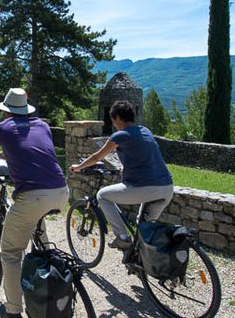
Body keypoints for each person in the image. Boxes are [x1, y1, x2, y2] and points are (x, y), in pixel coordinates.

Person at [0, 87, 69, 318]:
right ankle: (48, 260)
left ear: (7, 111)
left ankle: (13, 310)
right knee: (36, 224)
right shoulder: (43, 126)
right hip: (61, 190)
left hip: (33, 196)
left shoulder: (1, 128)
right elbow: (37, 155)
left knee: (11, 252)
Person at [69, 99, 173, 249]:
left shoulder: (120, 136)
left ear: (117, 118)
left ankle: (122, 237)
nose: (113, 123)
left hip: (145, 188)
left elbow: (97, 157)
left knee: (102, 196)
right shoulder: (145, 131)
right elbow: (142, 155)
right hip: (167, 188)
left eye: (113, 120)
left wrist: (78, 167)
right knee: (143, 228)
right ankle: (143, 263)